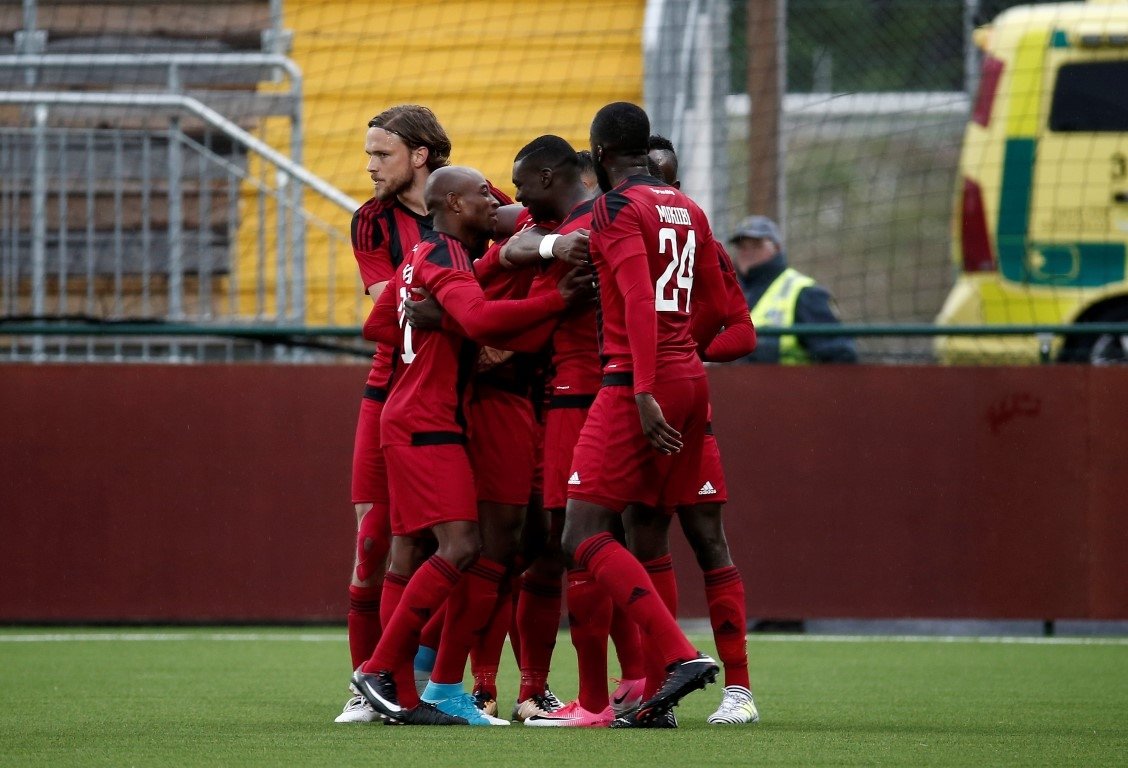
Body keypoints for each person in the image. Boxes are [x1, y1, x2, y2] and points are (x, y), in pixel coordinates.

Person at [352, 165, 588, 726]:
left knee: (417, 551)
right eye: (484, 194)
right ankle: (385, 672)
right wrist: (554, 302)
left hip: (412, 414)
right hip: (430, 421)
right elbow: (480, 318)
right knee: (463, 546)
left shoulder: (423, 259)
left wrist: (444, 330)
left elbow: (379, 326)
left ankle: (400, 691)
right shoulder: (445, 258)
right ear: (454, 204)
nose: (495, 202)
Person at [561, 101, 722, 729]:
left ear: (600, 155)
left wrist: (643, 389)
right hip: (690, 377)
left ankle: (679, 657)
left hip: (637, 380)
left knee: (582, 534)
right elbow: (711, 300)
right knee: (647, 534)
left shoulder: (615, 208)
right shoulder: (690, 209)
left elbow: (633, 298)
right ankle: (656, 697)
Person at [336, 104, 451, 723]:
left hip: (455, 394)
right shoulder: (371, 222)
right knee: (373, 541)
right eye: (369, 154)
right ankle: (367, 689)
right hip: (389, 388)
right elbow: (400, 304)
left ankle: (450, 682)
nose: (371, 166)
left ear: (419, 156)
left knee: (458, 544)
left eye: (382, 154)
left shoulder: (470, 198)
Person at [643, 133, 761, 725]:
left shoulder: (703, 245)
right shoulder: (615, 232)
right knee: (641, 543)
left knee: (707, 539)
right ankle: (655, 684)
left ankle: (738, 690)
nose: (661, 191)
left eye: (670, 179)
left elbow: (742, 329)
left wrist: (685, 352)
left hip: (684, 412)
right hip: (630, 406)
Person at [729, 215, 858, 363]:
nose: (747, 252)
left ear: (777, 248)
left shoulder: (804, 293)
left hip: (787, 384)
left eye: (757, 245)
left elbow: (840, 355)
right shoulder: (731, 293)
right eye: (741, 246)